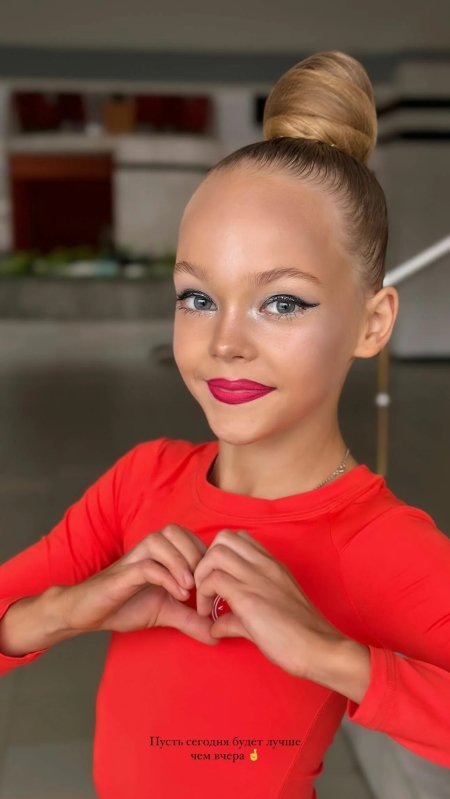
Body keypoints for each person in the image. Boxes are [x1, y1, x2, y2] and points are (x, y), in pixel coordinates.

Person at [0, 50, 449, 799]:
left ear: (372, 324)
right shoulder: (140, 482)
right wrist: (66, 610)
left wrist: (329, 654)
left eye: (282, 302)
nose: (225, 342)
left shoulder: (378, 542)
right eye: (198, 298)